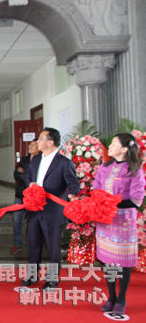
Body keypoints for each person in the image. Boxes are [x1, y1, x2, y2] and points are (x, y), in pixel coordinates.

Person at [93, 133, 144, 316]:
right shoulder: (105, 167)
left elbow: (137, 198)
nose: (110, 145)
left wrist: (111, 203)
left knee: (122, 262)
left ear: (124, 149)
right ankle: (111, 297)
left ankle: (122, 298)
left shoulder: (135, 170)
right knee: (108, 261)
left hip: (123, 221)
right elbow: (96, 188)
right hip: (105, 221)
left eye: (114, 143)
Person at [22, 127, 79, 289]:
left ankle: (52, 278)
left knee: (52, 246)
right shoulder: (36, 160)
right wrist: (30, 184)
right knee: (33, 243)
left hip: (53, 210)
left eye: (40, 139)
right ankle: (32, 275)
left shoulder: (63, 162)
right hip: (34, 208)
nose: (37, 142)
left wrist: (73, 195)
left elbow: (73, 183)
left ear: (50, 142)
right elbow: (28, 177)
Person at [11, 139, 40, 255]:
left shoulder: (42, 160)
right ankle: (17, 244)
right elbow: (16, 173)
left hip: (34, 197)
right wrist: (27, 178)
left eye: (33, 145)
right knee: (16, 220)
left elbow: (36, 177)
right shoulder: (24, 159)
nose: (30, 146)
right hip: (20, 195)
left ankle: (33, 245)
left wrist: (24, 174)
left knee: (32, 222)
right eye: (30, 144)